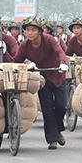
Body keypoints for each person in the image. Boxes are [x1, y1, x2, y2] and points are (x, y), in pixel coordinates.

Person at [13, 16, 68, 150]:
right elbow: (17, 59)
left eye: (33, 30)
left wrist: (62, 63)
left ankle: (58, 129)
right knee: (47, 109)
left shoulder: (49, 40)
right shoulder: (25, 44)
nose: (30, 33)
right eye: (27, 30)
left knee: (62, 105)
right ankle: (52, 139)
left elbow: (60, 52)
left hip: (56, 73)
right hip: (41, 78)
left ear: (39, 31)